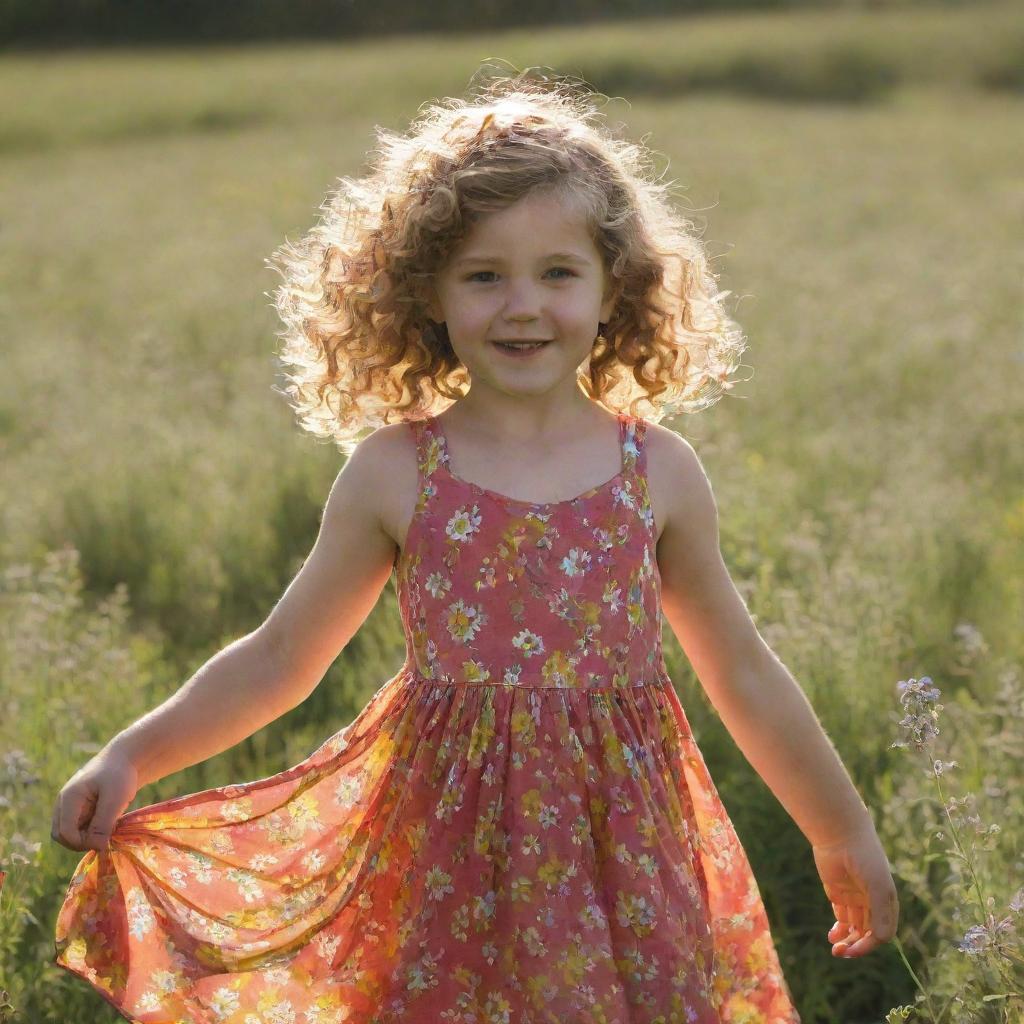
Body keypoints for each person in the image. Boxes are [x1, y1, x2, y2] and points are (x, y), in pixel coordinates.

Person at [51, 66, 898, 1023]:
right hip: (447, 844)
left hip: (621, 846)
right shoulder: (395, 471)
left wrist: (841, 829)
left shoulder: (656, 471)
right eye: (484, 276)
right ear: (430, 295)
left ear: (614, 290)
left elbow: (741, 671)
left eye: (558, 273)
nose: (522, 305)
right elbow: (282, 657)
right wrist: (132, 755)